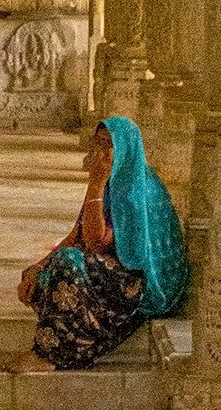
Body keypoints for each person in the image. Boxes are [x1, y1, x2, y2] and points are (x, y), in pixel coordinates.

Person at [16, 116, 189, 369]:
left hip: (140, 280)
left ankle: (50, 355)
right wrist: (38, 266)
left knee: (67, 263)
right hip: (110, 268)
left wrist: (95, 184)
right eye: (98, 144)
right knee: (47, 269)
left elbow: (96, 242)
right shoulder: (108, 182)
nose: (102, 152)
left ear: (127, 148)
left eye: (110, 145)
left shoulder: (140, 189)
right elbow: (77, 234)